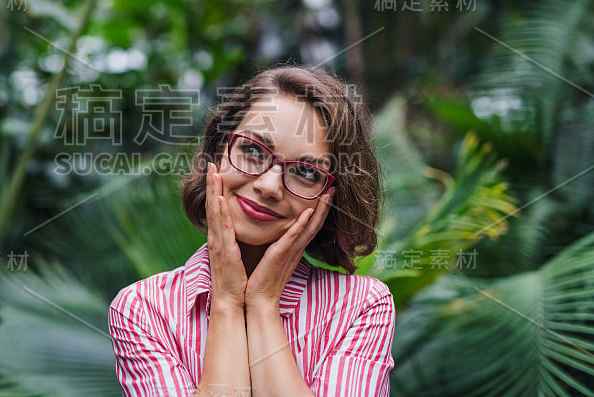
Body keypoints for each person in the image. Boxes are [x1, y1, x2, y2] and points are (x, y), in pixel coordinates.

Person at [109, 65, 395, 396]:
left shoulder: (360, 306)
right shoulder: (143, 309)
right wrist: (227, 301)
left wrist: (262, 303)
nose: (270, 186)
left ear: (331, 197)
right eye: (253, 150)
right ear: (218, 151)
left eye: (305, 171)